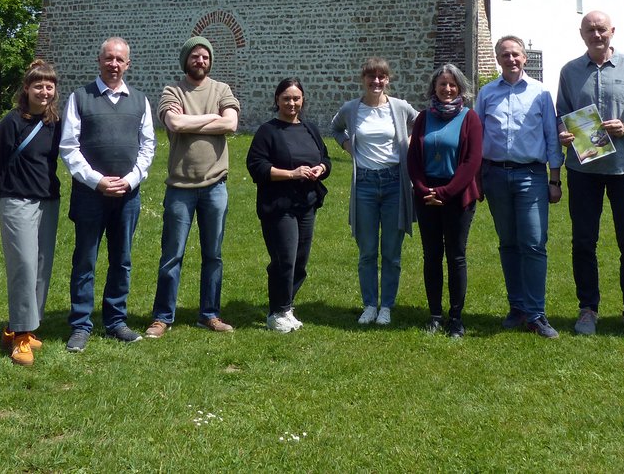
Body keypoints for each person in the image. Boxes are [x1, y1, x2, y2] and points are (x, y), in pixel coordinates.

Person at [556, 10, 624, 341]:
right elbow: (562, 114)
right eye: (590, 30)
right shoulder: (569, 71)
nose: (596, 34)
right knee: (584, 240)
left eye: (601, 29)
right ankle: (588, 308)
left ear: (612, 31)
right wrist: (563, 132)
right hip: (584, 169)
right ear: (581, 34)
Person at [61, 37, 155, 351]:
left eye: (120, 60)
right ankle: (81, 324)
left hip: (128, 196)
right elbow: (69, 147)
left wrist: (130, 180)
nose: (114, 64)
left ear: (128, 64)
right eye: (109, 59)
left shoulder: (140, 101)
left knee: (122, 260)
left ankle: (115, 320)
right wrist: (97, 181)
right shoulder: (79, 98)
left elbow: (148, 147)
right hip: (91, 194)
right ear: (99, 61)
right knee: (85, 259)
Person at [144, 37, 240, 338]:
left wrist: (194, 121)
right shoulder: (172, 91)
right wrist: (213, 117)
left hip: (215, 186)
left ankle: (209, 314)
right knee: (172, 254)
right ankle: (162, 317)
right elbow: (174, 124)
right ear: (186, 60)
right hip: (180, 187)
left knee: (213, 254)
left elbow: (231, 125)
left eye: (205, 57)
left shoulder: (222, 89)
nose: (201, 61)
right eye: (195, 56)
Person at [476, 35, 564, 338]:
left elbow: (552, 138)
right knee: (508, 243)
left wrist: (555, 179)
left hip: (531, 176)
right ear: (498, 59)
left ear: (525, 58)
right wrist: (477, 179)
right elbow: (477, 138)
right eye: (504, 55)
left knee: (534, 244)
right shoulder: (487, 94)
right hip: (496, 176)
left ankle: (536, 313)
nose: (510, 59)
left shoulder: (540, 93)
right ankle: (517, 308)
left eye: (515, 54)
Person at [0, 59, 64, 366]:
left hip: (48, 202)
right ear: (26, 89)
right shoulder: (12, 122)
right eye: (38, 86)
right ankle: (19, 337)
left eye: (49, 86)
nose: (44, 92)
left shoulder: (54, 122)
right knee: (24, 267)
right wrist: (0, 203)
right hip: (17, 202)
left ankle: (21, 327)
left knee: (42, 269)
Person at [330, 57, 418, 325]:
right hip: (365, 185)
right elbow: (335, 129)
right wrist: (349, 148)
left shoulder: (400, 107)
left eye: (381, 77)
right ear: (363, 80)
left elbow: (421, 122)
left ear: (388, 80)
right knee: (367, 250)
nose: (376, 81)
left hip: (394, 184)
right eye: (371, 77)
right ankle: (369, 305)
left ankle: (387, 306)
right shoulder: (351, 109)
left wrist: (408, 144)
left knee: (391, 251)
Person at [246, 77, 331, 332]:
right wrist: (292, 173)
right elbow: (256, 167)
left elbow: (325, 157)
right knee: (284, 259)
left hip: (307, 202)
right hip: (279, 204)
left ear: (303, 100)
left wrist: (321, 168)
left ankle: (287, 306)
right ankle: (276, 313)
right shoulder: (268, 131)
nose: (291, 103)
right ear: (277, 100)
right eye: (286, 98)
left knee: (300, 261)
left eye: (296, 98)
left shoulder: (310, 129)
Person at [407, 64, 483, 338]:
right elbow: (413, 158)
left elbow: (471, 161)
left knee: (456, 255)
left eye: (452, 84)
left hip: (458, 196)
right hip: (426, 195)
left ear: (460, 87)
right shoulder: (424, 118)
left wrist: (446, 193)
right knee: (432, 256)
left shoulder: (470, 118)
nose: (447, 89)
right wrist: (423, 189)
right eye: (442, 84)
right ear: (434, 88)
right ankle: (435, 315)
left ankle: (456, 318)